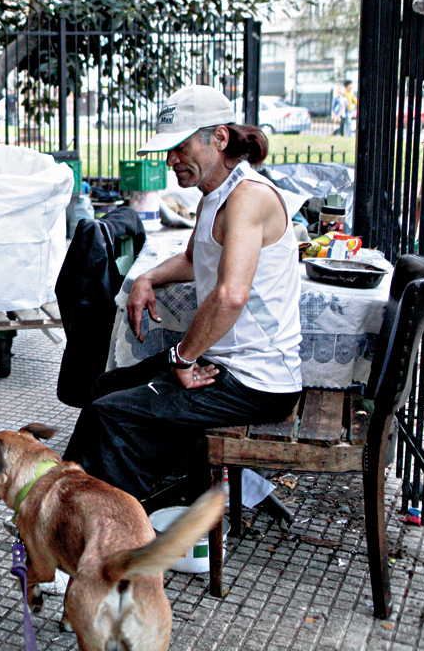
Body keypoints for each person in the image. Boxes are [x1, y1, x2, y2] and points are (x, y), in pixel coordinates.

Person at [61, 84, 304, 502]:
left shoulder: (248, 197)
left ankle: (110, 531)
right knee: (105, 387)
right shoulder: (216, 193)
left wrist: (182, 358)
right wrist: (147, 279)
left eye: (180, 146)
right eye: (168, 149)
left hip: (256, 380)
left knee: (110, 417)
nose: (172, 160)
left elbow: (230, 295)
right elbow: (194, 259)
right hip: (225, 361)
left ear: (220, 138)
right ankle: (98, 507)